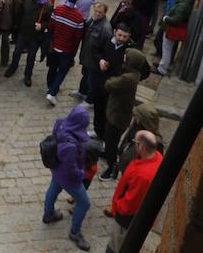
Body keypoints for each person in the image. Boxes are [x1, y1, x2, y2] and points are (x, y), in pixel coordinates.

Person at [42, 105, 92, 251]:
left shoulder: (60, 123)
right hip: (68, 177)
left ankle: (48, 214)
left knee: (53, 188)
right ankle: (75, 233)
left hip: (56, 168)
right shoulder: (70, 145)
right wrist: (82, 174)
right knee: (84, 203)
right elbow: (71, 170)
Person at [106, 131, 163, 253]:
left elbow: (129, 205)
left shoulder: (142, 176)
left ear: (141, 147)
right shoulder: (157, 156)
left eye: (135, 142)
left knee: (115, 247)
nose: (134, 145)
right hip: (137, 218)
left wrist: (116, 204)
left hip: (126, 221)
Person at [99, 48, 150, 181]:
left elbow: (109, 85)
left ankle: (111, 168)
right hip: (118, 113)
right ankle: (108, 155)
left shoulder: (128, 78)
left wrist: (112, 76)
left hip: (117, 116)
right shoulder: (132, 73)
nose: (123, 59)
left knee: (112, 142)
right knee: (110, 140)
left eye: (126, 58)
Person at [5, 0, 52, 86]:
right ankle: (13, 67)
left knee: (31, 57)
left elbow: (49, 21)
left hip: (35, 36)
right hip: (23, 32)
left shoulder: (47, 5)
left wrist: (42, 26)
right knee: (17, 52)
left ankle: (27, 75)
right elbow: (20, 14)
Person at [46, 0, 85, 104]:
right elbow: (78, 38)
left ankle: (50, 87)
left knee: (52, 68)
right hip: (67, 50)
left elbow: (50, 26)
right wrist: (73, 52)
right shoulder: (79, 17)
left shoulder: (57, 10)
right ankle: (52, 92)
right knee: (62, 71)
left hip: (54, 46)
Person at [155, 0, 195, 75]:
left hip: (171, 29)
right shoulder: (184, 3)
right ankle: (163, 64)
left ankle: (162, 68)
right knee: (167, 48)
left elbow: (176, 19)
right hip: (171, 29)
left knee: (167, 49)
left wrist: (166, 18)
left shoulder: (183, 5)